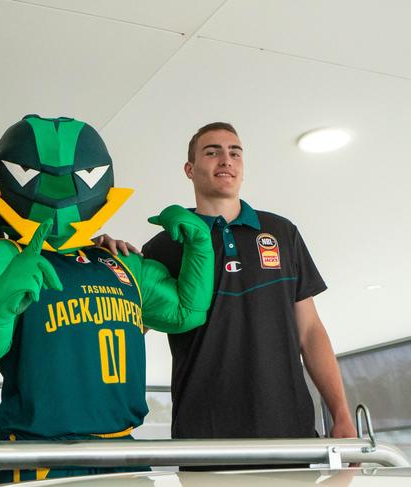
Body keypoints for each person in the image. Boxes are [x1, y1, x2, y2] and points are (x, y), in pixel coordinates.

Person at [0, 114, 215, 482]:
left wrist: (199, 244)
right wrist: (2, 297)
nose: (59, 191)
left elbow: (186, 312)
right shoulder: (1, 256)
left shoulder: (117, 260)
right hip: (42, 452)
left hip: (123, 449)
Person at [142, 122, 357, 453]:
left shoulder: (282, 233)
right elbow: (129, 326)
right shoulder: (166, 245)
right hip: (204, 440)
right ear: (190, 168)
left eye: (235, 152)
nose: (226, 160)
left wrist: (340, 413)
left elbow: (310, 331)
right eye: (212, 152)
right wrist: (109, 267)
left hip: (290, 437)